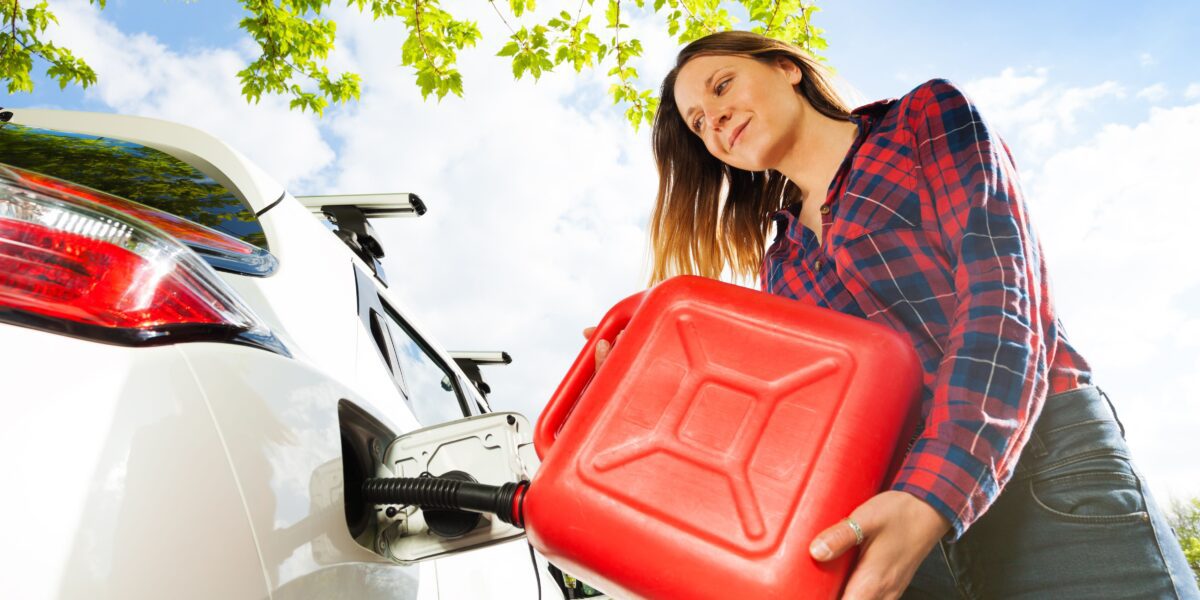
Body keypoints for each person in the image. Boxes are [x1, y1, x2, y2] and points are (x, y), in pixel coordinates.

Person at [588, 31, 1198, 599]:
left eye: (721, 86)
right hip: (899, 533)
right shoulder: (781, 266)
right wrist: (645, 390)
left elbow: (1002, 291)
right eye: (698, 122)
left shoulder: (922, 120)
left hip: (1044, 473)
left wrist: (932, 494)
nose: (713, 119)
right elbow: (800, 423)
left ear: (787, 69)